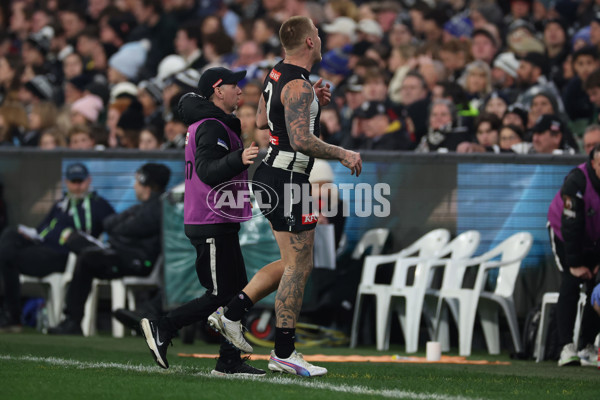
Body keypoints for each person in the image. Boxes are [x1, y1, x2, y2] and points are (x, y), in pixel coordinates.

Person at [208, 16, 362, 377]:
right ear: (309, 42)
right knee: (297, 266)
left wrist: (312, 104)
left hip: (277, 175)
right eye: (318, 35)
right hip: (288, 178)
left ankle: (231, 313)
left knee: (294, 263)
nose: (321, 39)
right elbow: (301, 140)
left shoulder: (278, 73)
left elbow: (263, 121)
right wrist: (343, 152)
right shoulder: (298, 86)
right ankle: (284, 351)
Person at [139, 67, 264, 376]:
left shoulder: (214, 123)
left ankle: (229, 360)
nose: (240, 90)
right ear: (218, 90)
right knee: (221, 294)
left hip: (218, 217)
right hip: (210, 218)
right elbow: (209, 171)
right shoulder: (211, 125)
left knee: (237, 294)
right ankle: (162, 326)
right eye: (235, 85)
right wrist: (240, 158)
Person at [48, 163, 170, 335]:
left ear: (145, 183)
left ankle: (72, 321)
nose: (134, 186)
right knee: (81, 248)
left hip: (136, 261)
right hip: (120, 254)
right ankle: (72, 321)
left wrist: (120, 227)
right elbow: (110, 223)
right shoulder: (142, 207)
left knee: (86, 257)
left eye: (137, 182)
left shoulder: (156, 208)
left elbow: (123, 228)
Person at [0, 163, 115, 331]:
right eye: (72, 182)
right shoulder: (60, 204)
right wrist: (29, 234)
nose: (76, 186)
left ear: (88, 181)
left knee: (6, 256)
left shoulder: (99, 205)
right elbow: (41, 230)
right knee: (9, 237)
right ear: (66, 182)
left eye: (80, 181)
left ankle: (12, 316)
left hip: (61, 255)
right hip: (40, 246)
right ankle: (12, 315)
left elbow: (114, 227)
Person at [547, 143, 600, 366]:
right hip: (564, 235)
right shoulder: (577, 181)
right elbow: (571, 226)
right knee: (571, 281)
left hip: (595, 240)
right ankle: (565, 346)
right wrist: (575, 263)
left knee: (596, 288)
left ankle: (587, 344)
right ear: (595, 163)